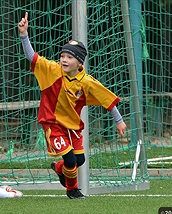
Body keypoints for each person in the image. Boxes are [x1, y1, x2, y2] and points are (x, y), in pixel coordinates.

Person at [18, 12, 127, 199]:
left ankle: (59, 169)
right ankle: (72, 190)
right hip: (52, 123)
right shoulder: (52, 70)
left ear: (79, 62)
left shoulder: (87, 82)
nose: (64, 60)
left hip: (73, 126)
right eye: (62, 55)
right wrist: (24, 34)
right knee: (70, 159)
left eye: (69, 57)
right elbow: (31, 56)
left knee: (79, 160)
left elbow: (106, 99)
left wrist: (119, 120)